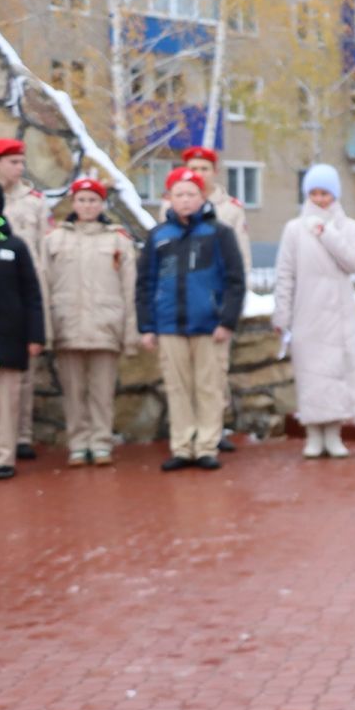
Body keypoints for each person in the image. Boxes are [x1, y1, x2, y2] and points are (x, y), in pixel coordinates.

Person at [137, 167, 244, 471]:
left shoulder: (219, 233)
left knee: (208, 388)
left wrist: (227, 320)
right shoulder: (158, 236)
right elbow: (145, 283)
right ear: (169, 198)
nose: (185, 200)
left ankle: (206, 445)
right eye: (178, 194)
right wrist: (147, 325)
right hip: (169, 324)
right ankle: (183, 446)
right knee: (178, 388)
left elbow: (235, 281)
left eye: (191, 194)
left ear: (202, 197)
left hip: (209, 325)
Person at [272, 165, 355, 459]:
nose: (319, 198)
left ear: (335, 194)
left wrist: (327, 233)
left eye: (325, 192)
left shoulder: (349, 227)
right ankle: (313, 435)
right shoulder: (294, 229)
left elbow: (354, 262)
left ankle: (334, 434)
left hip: (341, 314)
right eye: (314, 193)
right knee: (312, 374)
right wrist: (282, 314)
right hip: (307, 314)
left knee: (338, 374)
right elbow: (284, 273)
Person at [40, 178, 136, 466]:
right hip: (67, 325)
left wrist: (129, 333)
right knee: (73, 392)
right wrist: (46, 331)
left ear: (102, 204)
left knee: (102, 392)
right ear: (73, 203)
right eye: (82, 200)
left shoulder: (118, 240)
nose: (87, 205)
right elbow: (44, 285)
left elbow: (130, 289)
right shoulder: (54, 239)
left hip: (105, 326)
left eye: (93, 200)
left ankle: (101, 442)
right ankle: (79, 444)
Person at [163, 146, 250, 450]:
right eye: (193, 168)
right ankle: (189, 433)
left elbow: (241, 261)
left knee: (215, 371)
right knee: (183, 377)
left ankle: (215, 429)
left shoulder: (230, 209)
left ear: (214, 172)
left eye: (203, 168)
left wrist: (233, 306)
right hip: (180, 307)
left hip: (215, 305)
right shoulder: (169, 206)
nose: (198, 174)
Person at [0, 138, 53, 459]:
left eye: (21, 162)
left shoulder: (34, 201)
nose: (20, 168)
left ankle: (20, 436)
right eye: (13, 162)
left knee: (21, 374)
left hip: (22, 294)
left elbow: (42, 249)